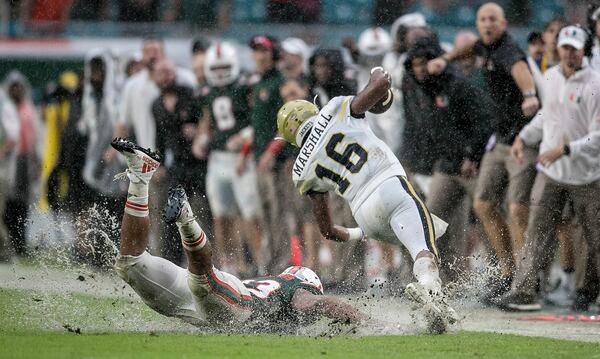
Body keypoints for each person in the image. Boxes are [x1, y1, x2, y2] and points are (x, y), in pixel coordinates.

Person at [110, 138, 364, 330]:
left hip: (202, 309)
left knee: (130, 264)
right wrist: (367, 322)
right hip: (237, 305)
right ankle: (186, 218)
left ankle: (141, 175)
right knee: (204, 282)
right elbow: (319, 304)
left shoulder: (280, 289)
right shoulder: (297, 291)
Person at [276, 67, 457, 330]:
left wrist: (357, 233)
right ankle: (431, 293)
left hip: (363, 213)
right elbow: (381, 85)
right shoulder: (333, 109)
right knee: (423, 248)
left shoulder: (300, 170)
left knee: (425, 232)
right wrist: (377, 72)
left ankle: (431, 296)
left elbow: (327, 230)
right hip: (388, 185)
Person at [427, 2, 540, 302]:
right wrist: (445, 58)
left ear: (503, 24)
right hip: (500, 139)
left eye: (493, 19)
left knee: (518, 208)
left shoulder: (508, 51)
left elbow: (520, 70)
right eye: (483, 19)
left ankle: (526, 281)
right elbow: (469, 48)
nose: (488, 24)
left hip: (524, 141)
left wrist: (529, 96)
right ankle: (507, 272)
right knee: (484, 203)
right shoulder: (484, 46)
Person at [495, 26, 600, 311]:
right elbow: (546, 115)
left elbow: (598, 135)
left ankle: (587, 291)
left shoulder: (595, 84)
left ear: (585, 51)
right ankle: (524, 291)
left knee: (594, 236)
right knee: (536, 229)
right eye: (564, 47)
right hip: (552, 171)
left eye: (574, 48)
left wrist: (565, 149)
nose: (568, 53)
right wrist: (523, 137)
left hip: (587, 174)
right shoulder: (551, 76)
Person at [404, 37, 494, 282]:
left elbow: (485, 122)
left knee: (489, 220)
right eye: (415, 64)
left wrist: (471, 156)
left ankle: (502, 278)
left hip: (472, 166)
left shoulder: (457, 86)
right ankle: (445, 279)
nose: (420, 69)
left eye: (424, 63)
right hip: (446, 165)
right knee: (430, 223)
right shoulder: (426, 90)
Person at [193, 42, 266, 275]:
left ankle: (262, 264)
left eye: (226, 66)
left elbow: (258, 120)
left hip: (242, 158)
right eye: (217, 68)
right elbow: (207, 119)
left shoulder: (247, 86)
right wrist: (202, 137)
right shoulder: (207, 90)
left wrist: (245, 137)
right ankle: (230, 265)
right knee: (222, 215)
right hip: (217, 159)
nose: (221, 72)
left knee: (250, 214)